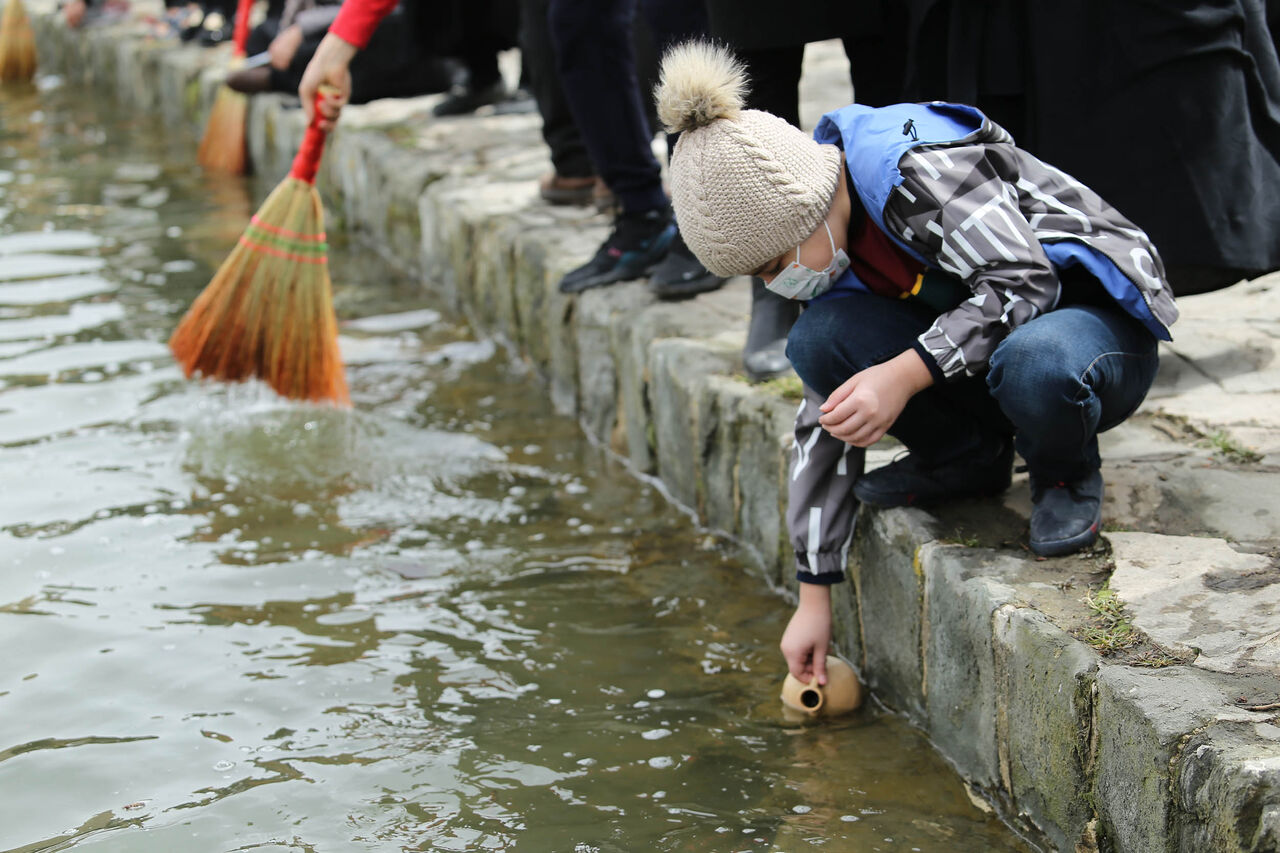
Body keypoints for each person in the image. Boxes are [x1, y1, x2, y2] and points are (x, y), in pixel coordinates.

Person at [653, 41, 1178, 686]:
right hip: (989, 350)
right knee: (818, 342)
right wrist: (812, 593)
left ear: (807, 211)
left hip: (1086, 330)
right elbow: (826, 414)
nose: (776, 285)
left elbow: (1025, 285)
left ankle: (1064, 476)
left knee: (1034, 363)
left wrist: (902, 373)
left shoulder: (914, 171)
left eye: (770, 267)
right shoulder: (829, 249)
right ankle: (968, 457)